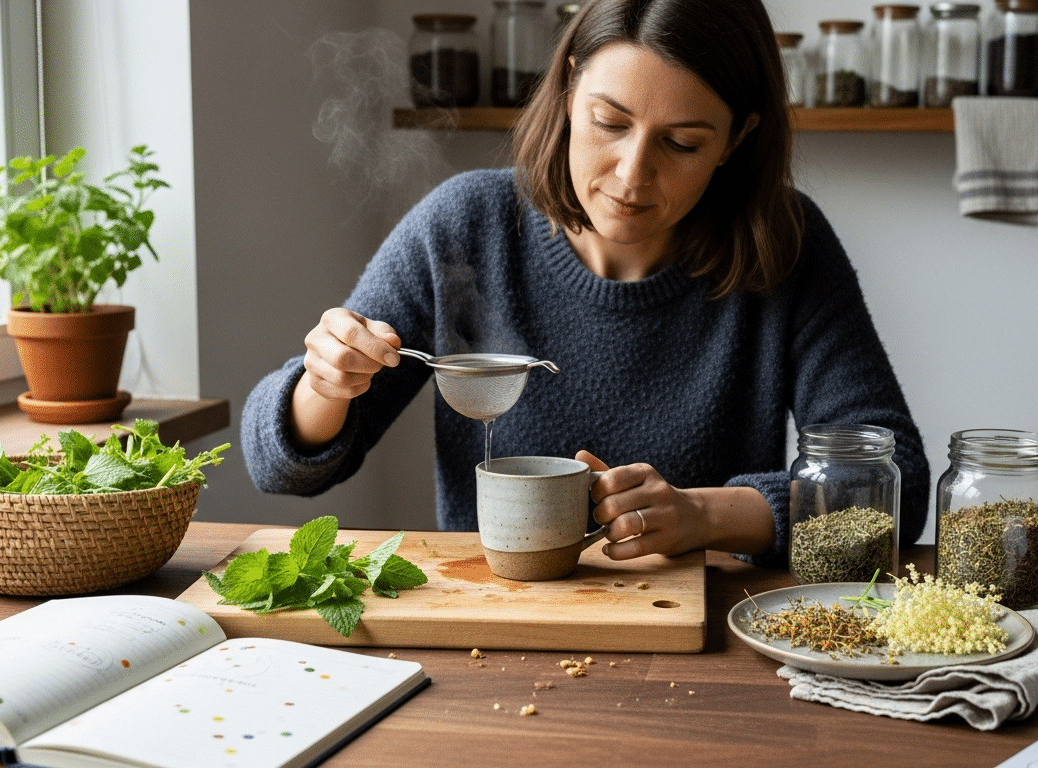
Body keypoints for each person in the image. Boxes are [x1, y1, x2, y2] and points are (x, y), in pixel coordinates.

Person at [242, 0, 929, 568]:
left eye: (682, 143)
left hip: (707, 645)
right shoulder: (467, 226)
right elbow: (278, 468)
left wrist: (703, 514)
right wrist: (325, 385)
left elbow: (895, 487)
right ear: (570, 92)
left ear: (737, 140)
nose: (632, 174)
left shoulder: (786, 246)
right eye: (609, 123)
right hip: (498, 626)